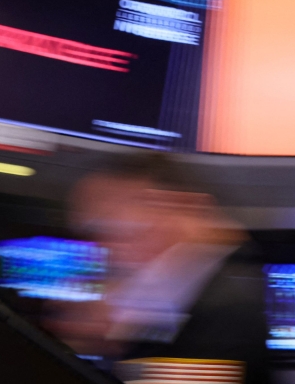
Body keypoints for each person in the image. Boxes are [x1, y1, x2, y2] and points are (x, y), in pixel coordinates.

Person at [47, 155, 269, 384]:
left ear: (175, 205)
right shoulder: (180, 282)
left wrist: (111, 345)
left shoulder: (229, 300)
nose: (106, 249)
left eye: (114, 228)